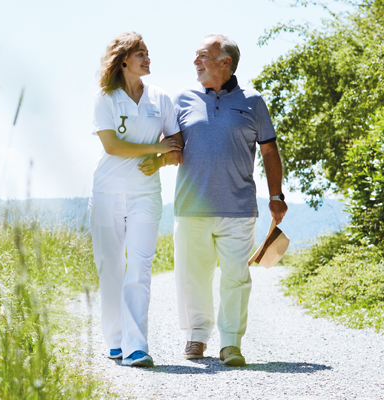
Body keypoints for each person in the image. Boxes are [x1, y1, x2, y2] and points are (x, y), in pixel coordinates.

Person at [140, 33, 288, 366]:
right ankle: (196, 336)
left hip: (239, 208)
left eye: (202, 56)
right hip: (192, 207)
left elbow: (269, 150)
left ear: (225, 63)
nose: (195, 61)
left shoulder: (253, 102)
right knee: (193, 275)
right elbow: (171, 144)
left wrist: (276, 195)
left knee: (236, 276)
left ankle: (231, 343)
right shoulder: (182, 99)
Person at [88, 31, 182, 367]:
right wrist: (156, 148)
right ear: (123, 59)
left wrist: (159, 161)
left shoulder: (161, 99)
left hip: (145, 195)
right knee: (110, 268)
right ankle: (115, 340)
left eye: (148, 52)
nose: (147, 58)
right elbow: (111, 146)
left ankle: (137, 347)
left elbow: (178, 143)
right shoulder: (106, 98)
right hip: (107, 194)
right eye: (141, 53)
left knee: (139, 269)